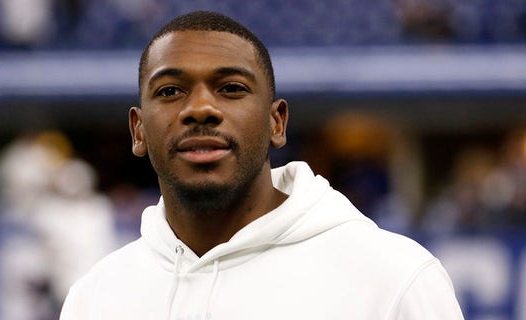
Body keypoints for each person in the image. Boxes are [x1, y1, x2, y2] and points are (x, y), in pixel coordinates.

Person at [60, 11, 464, 319]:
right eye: (170, 90)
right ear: (138, 130)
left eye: (231, 88)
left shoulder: (394, 279)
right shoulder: (94, 299)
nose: (200, 108)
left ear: (277, 122)